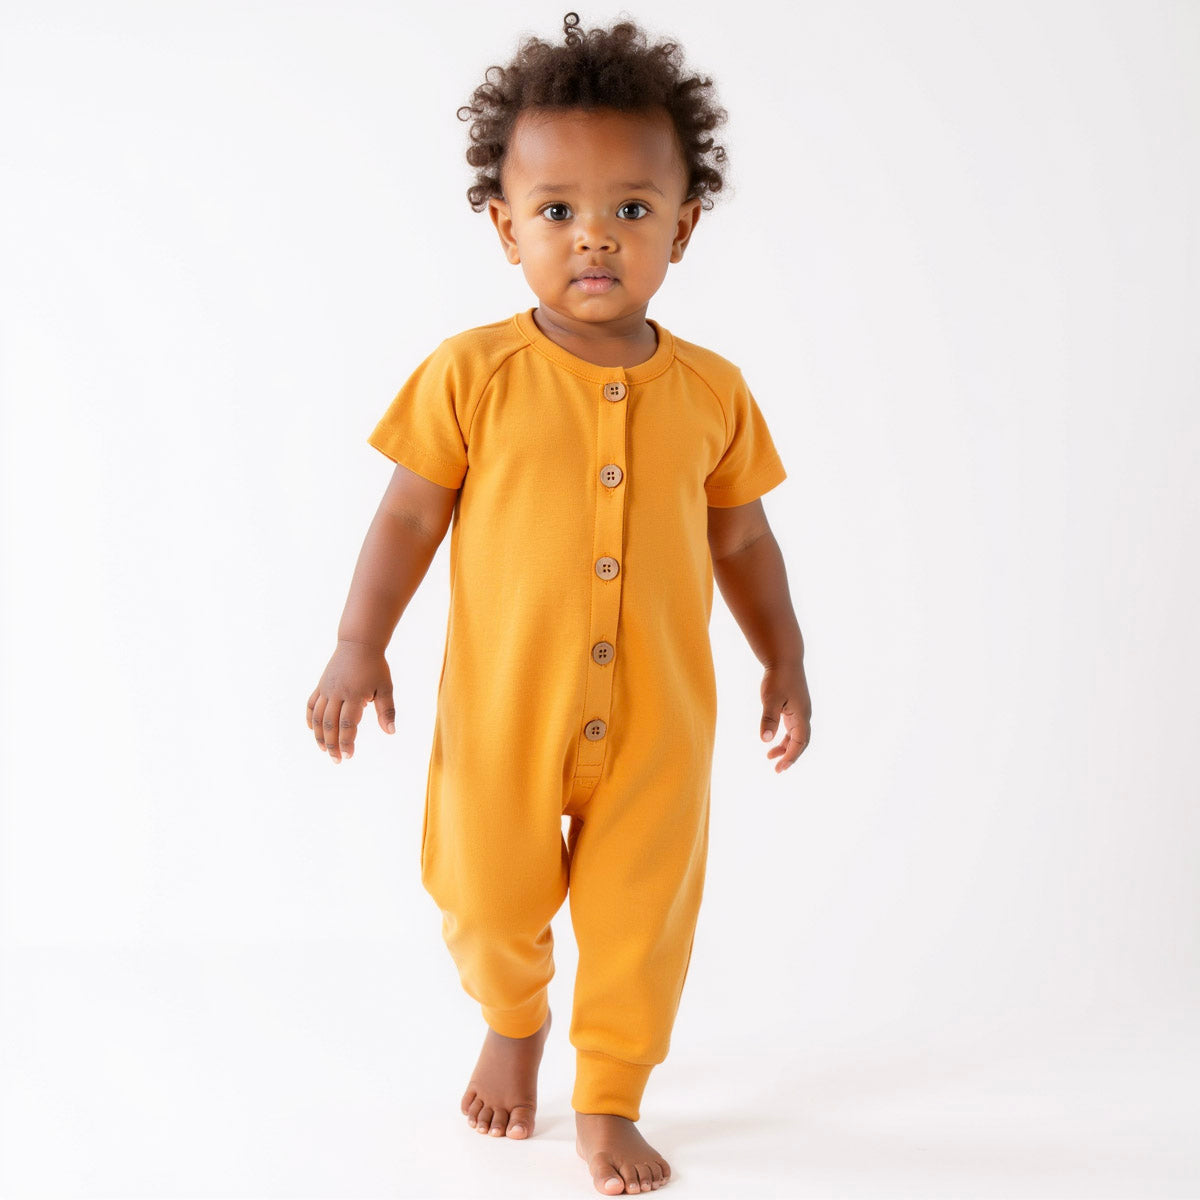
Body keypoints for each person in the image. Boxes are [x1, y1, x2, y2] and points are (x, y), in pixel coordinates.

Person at [306, 11, 812, 1195]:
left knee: (642, 927)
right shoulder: (468, 374)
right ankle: (514, 1014)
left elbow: (742, 536)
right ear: (504, 227)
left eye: (633, 210)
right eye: (558, 211)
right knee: (485, 898)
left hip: (659, 732)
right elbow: (404, 517)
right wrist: (355, 644)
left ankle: (608, 1096)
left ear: (683, 229)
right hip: (504, 719)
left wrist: (782, 656)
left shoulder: (713, 393)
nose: (596, 237)